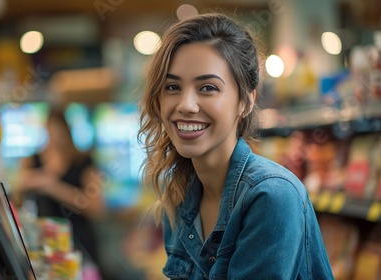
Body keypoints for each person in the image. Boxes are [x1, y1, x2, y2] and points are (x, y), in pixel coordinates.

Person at [137, 13, 334, 279]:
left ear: (246, 101)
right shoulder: (180, 198)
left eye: (207, 87)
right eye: (172, 86)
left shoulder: (272, 196)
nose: (185, 104)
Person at [18, 107, 106, 274]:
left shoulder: (83, 161)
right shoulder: (32, 159)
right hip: (43, 243)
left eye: (59, 130)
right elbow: (17, 191)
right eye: (51, 129)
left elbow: (97, 207)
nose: (55, 136)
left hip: (78, 241)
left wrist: (54, 187)